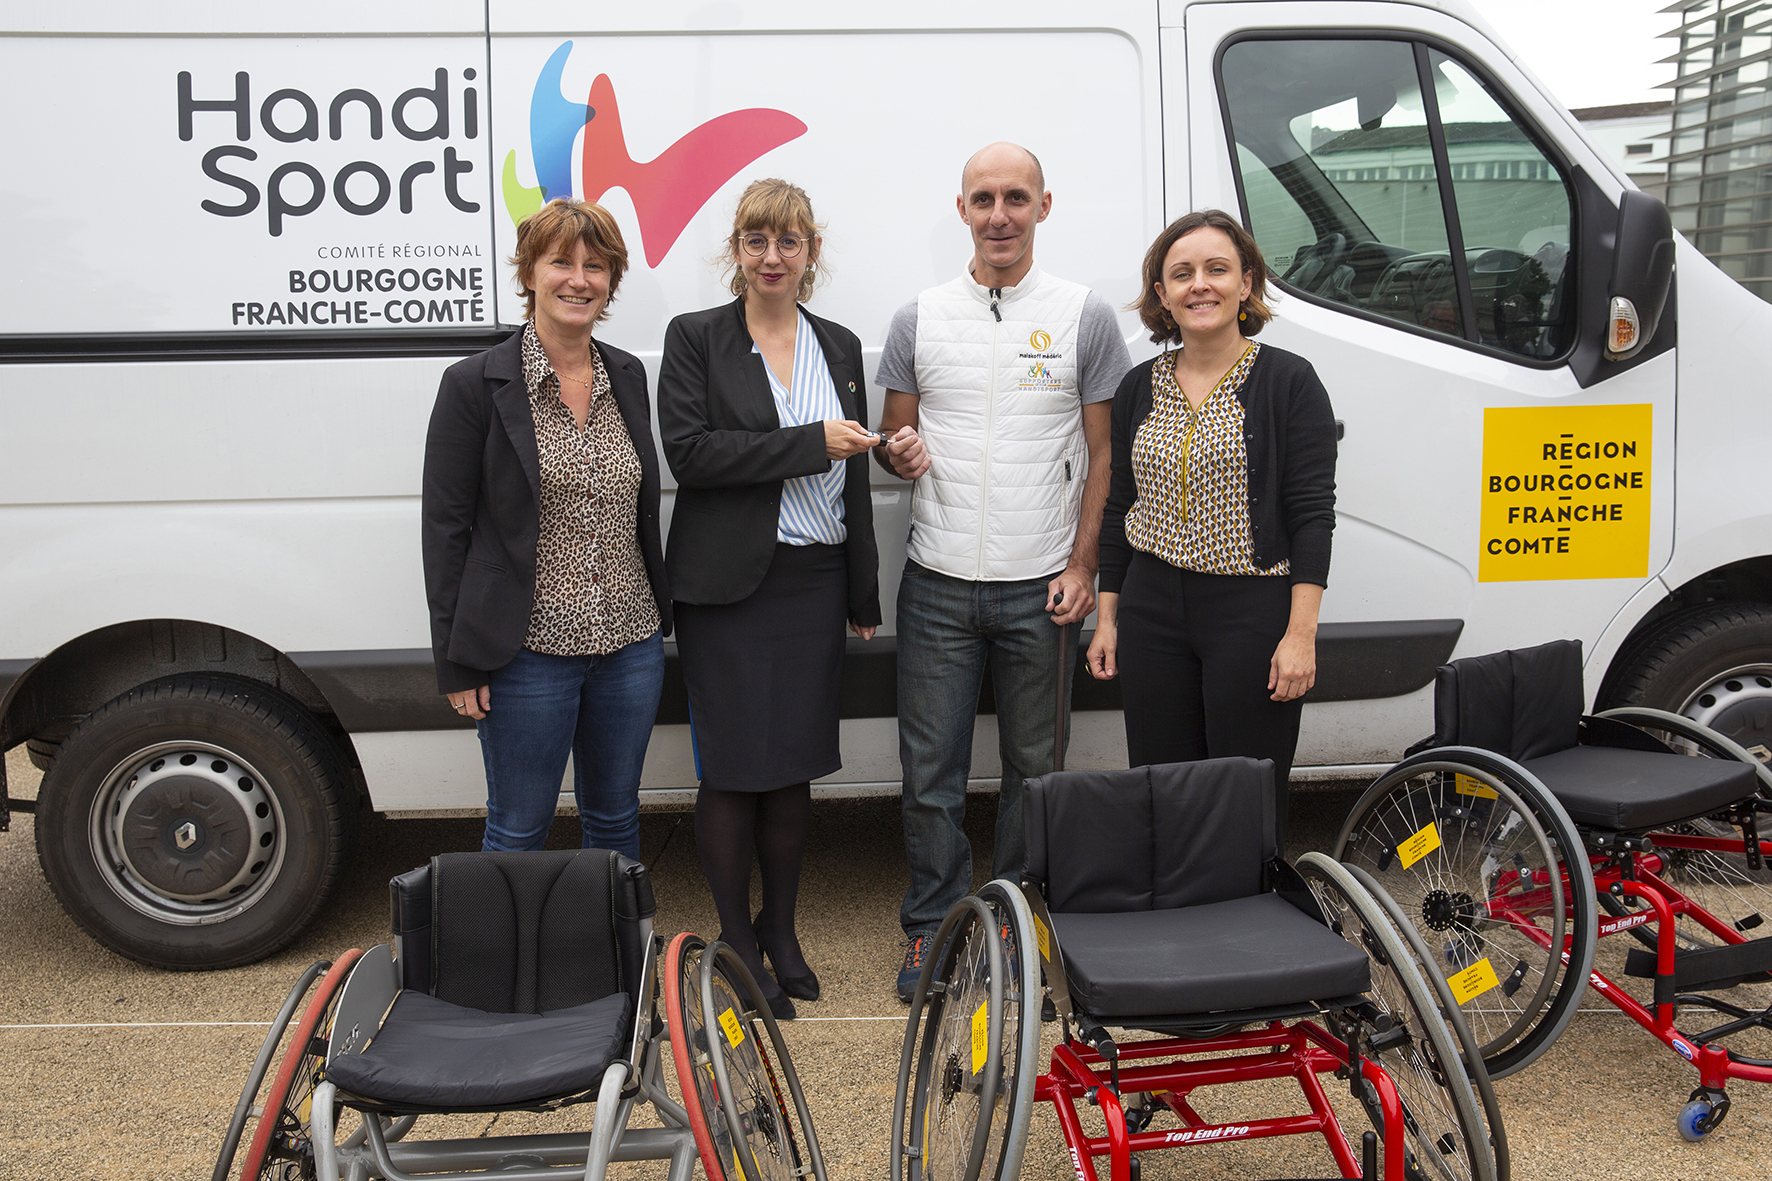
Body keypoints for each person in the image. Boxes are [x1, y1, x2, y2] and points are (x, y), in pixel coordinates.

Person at [875, 142, 1131, 1001]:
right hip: (938, 579)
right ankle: (931, 929)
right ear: (961, 210)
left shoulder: (1085, 315)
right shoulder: (917, 317)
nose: (999, 215)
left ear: (1043, 207)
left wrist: (1085, 564)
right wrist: (900, 452)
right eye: (983, 198)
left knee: (1036, 774)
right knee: (930, 774)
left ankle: (1019, 922)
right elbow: (893, 443)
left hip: (1041, 586)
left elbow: (1104, 455)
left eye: (1016, 197)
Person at [658, 178, 882, 1020]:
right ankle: (737, 941)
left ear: (811, 251)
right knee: (734, 769)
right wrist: (804, 444)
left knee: (791, 771)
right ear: (736, 250)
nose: (772, 257)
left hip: (814, 584)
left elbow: (852, 480)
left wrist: (862, 591)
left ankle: (780, 930)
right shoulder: (697, 339)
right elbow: (691, 453)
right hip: (727, 590)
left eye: (789, 242)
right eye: (756, 241)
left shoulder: (841, 345)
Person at [421, 198, 671, 860]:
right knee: (518, 828)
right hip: (523, 654)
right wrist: (456, 658)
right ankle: (505, 966)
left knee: (616, 819)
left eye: (596, 265)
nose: (578, 279)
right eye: (561, 261)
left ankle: (615, 961)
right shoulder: (474, 384)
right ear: (529, 271)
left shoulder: (627, 375)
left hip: (629, 646)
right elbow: (444, 529)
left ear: (611, 280)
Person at [1089, 209, 1337, 840]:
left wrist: (1300, 635)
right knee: (1162, 787)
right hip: (1152, 607)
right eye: (1181, 274)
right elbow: (1121, 507)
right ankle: (1179, 924)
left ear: (1246, 283)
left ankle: (1249, 923)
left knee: (1243, 789)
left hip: (1249, 608)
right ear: (1163, 296)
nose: (1199, 284)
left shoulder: (1289, 382)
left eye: (1217, 269)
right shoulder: (1138, 386)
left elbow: (1312, 513)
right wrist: (1109, 618)